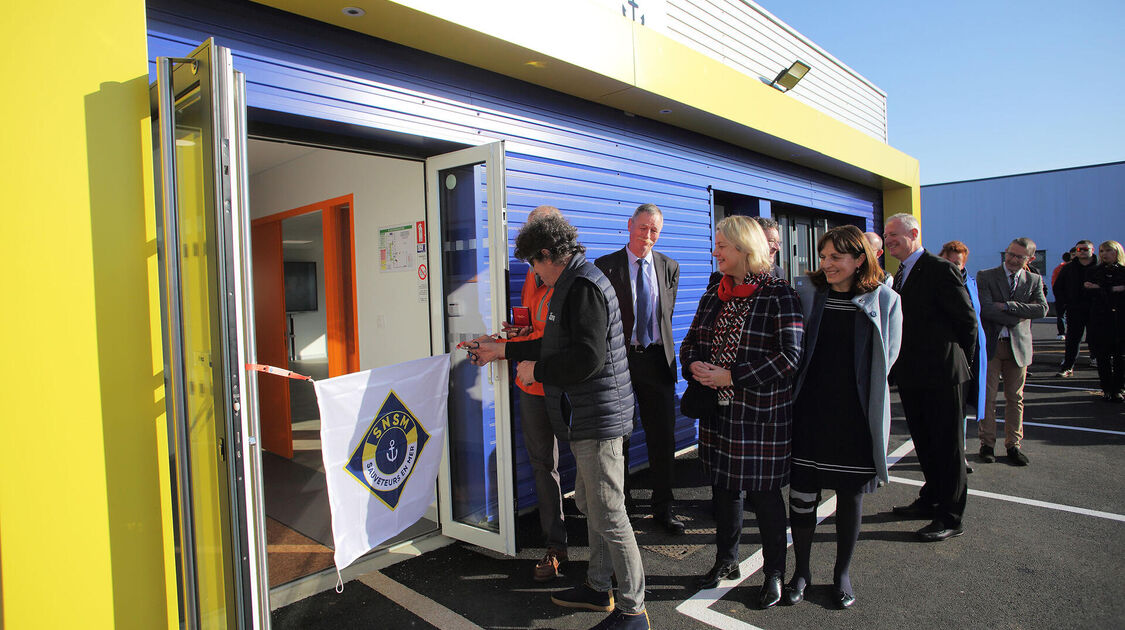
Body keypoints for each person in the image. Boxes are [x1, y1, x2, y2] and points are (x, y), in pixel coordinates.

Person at [470, 214, 650, 629]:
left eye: (534, 264)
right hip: (590, 414)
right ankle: (597, 586)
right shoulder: (569, 282)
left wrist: (538, 372)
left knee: (608, 512)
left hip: (599, 418)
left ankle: (633, 610)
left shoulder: (581, 287)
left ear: (548, 255)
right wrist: (500, 349)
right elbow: (549, 342)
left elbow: (588, 358)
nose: (532, 272)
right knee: (593, 505)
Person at [680, 216, 803, 608]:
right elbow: (692, 341)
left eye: (722, 246)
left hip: (760, 416)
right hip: (719, 414)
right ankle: (726, 561)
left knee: (766, 498)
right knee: (724, 492)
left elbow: (789, 357)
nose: (715, 251)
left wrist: (731, 375)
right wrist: (694, 367)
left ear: (745, 250)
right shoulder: (715, 291)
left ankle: (774, 573)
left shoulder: (778, 294)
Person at [786, 226, 901, 609]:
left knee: (849, 498)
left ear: (859, 259)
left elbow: (888, 359)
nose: (827, 264)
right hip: (808, 414)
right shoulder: (807, 292)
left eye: (837, 257)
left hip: (853, 418)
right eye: (823, 256)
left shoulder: (885, 300)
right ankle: (801, 571)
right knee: (802, 496)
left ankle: (842, 574)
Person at [883, 213, 977, 542]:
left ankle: (951, 516)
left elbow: (967, 322)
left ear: (914, 232)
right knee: (925, 442)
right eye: (886, 234)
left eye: (894, 234)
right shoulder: (903, 272)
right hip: (913, 376)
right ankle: (931, 498)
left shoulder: (940, 269)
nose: (888, 239)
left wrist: (960, 366)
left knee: (948, 447)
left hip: (942, 375)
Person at [595, 204, 685, 535]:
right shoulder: (605, 266)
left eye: (654, 230)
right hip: (620, 359)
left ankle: (665, 507)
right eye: (643, 227)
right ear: (630, 225)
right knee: (620, 436)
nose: (647, 235)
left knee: (663, 437)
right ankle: (623, 506)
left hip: (657, 361)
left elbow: (667, 314)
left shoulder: (670, 266)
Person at [497, 205, 570, 580]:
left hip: (564, 384)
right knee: (543, 466)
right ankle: (555, 546)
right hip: (531, 386)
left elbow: (567, 340)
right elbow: (537, 325)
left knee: (591, 465)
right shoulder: (531, 274)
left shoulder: (570, 277)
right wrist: (519, 334)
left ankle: (606, 551)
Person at [975, 238, 1048, 466]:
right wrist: (1020, 315)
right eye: (1010, 254)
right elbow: (985, 309)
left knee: (1015, 398)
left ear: (1030, 259)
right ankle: (987, 444)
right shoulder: (985, 276)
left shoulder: (1034, 279)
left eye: (1020, 257)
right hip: (992, 346)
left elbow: (1042, 309)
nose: (1013, 260)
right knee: (987, 398)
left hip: (1019, 347)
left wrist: (1008, 306)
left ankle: (1013, 445)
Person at [938, 240, 987, 475]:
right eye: (949, 261)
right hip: (944, 356)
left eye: (957, 263)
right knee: (943, 410)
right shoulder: (935, 282)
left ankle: (960, 454)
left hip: (969, 355)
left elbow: (974, 319)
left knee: (961, 411)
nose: (953, 266)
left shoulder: (971, 284)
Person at [1086, 241, 1125, 402]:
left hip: (1121, 321)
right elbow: (1088, 290)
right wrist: (1112, 289)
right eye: (1102, 251)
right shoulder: (1095, 271)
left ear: (1117, 252)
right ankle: (1106, 388)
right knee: (1102, 357)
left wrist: (1101, 288)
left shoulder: (1122, 271)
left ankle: (1118, 388)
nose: (1104, 254)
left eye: (1109, 250)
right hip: (1100, 320)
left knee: (1120, 357)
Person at [1054, 240, 1099, 377]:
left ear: (1092, 249)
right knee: (1073, 339)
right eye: (1079, 250)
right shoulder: (1068, 268)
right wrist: (1065, 304)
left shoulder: (1100, 267)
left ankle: (1098, 361)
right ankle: (1067, 366)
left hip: (1097, 309)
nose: (1082, 252)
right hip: (1075, 309)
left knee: (1097, 337)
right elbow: (1058, 287)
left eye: (1085, 249)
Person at [1051, 251, 1073, 340]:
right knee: (1070, 316)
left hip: (1061, 297)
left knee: (1061, 316)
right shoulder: (1070, 268)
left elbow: (1054, 283)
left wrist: (1057, 294)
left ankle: (1061, 333)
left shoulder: (1058, 268)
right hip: (1069, 296)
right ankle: (1069, 333)